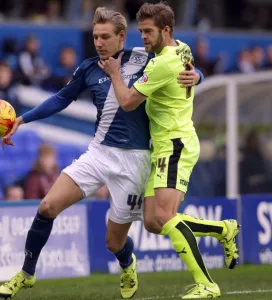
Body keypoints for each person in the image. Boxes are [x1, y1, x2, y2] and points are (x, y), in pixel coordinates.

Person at [0, 6, 202, 300]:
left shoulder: (148, 59)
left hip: (135, 162)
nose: (99, 42)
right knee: (47, 207)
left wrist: (197, 76)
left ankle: (126, 263)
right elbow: (60, 99)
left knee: (113, 242)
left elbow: (184, 65)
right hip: (97, 154)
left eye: (105, 36)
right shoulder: (88, 68)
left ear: (122, 37)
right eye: (95, 36)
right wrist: (23, 119)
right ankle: (26, 274)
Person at [100, 2, 240, 299]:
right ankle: (223, 230)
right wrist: (198, 76)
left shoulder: (162, 63)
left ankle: (206, 284)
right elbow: (192, 68)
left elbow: (126, 101)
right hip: (168, 144)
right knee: (152, 222)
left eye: (148, 32)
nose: (144, 38)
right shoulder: (181, 47)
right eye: (140, 32)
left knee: (164, 216)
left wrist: (114, 72)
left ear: (166, 30)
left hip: (174, 144)